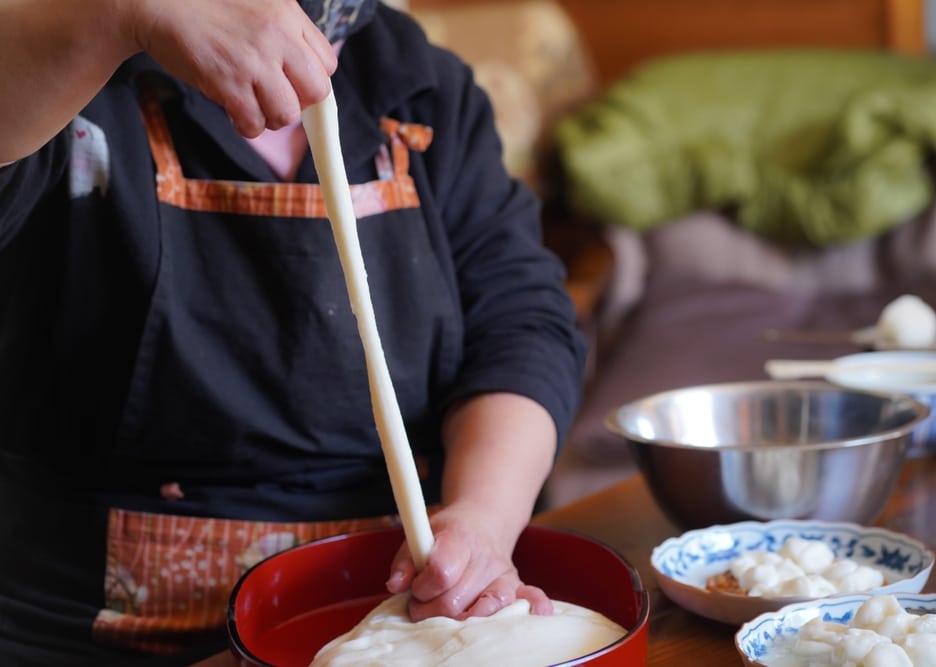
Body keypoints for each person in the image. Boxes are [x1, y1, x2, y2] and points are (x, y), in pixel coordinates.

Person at [0, 0, 588, 664]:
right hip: (96, 631)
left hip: (389, 616)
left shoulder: (423, 88)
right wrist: (124, 13)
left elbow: (520, 326)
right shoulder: (62, 56)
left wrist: (482, 520)